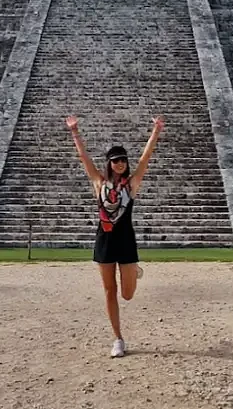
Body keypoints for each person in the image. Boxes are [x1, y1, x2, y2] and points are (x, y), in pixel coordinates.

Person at [65, 114, 164, 358]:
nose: (119, 163)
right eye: (114, 160)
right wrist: (75, 131)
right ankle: (118, 338)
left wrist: (156, 131)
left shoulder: (131, 184)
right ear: (109, 163)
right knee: (109, 290)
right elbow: (84, 159)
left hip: (126, 239)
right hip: (105, 240)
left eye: (122, 160)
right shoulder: (99, 183)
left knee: (127, 294)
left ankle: (134, 272)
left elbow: (145, 158)